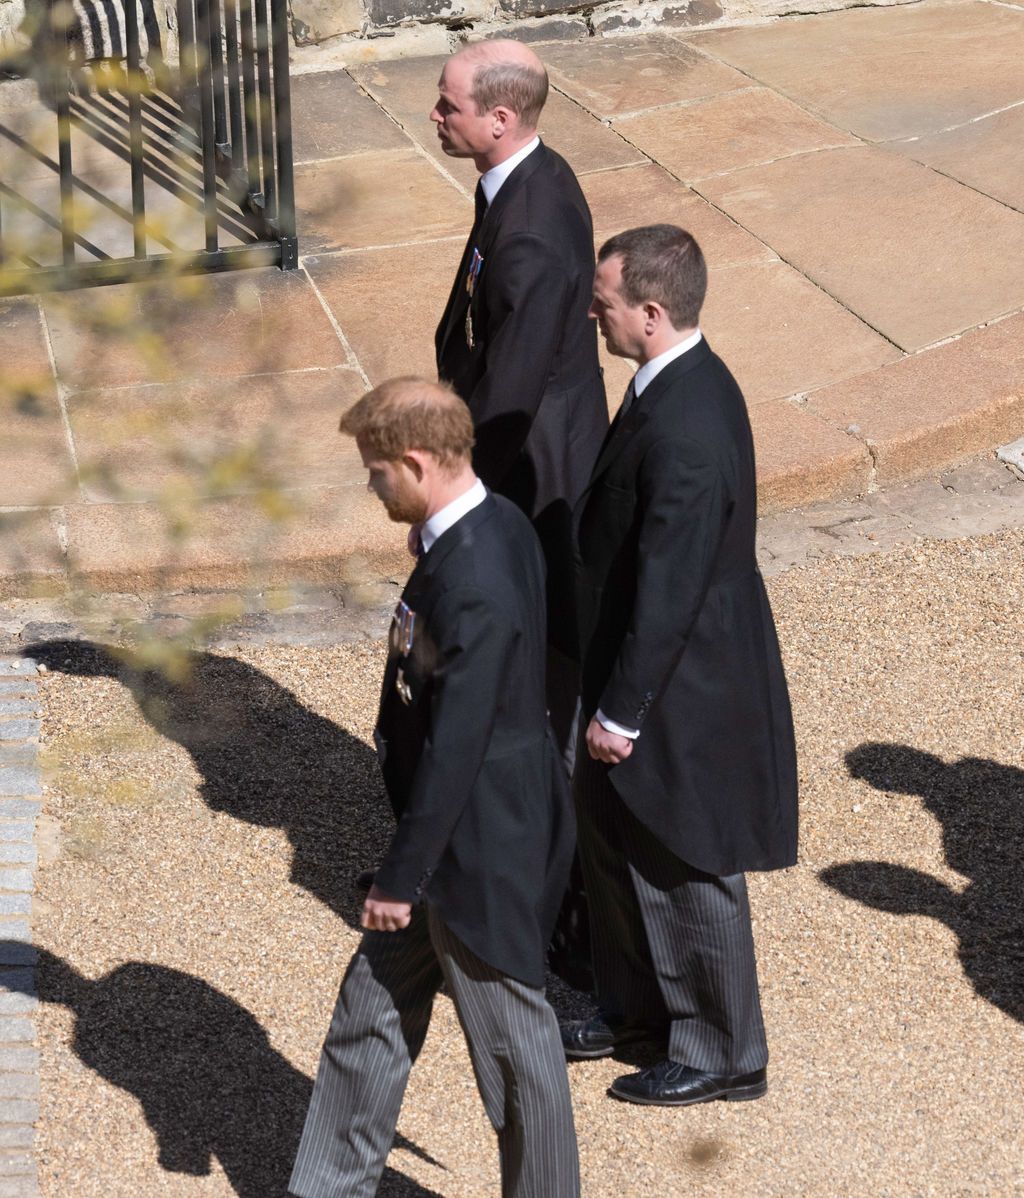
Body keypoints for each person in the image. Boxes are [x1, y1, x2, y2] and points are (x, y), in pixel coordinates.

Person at [289, 377, 580, 1198]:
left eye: (376, 472)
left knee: (517, 1053)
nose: (372, 485)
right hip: (457, 836)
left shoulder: (474, 575)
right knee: (370, 1012)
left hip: (476, 849)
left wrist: (402, 878)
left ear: (416, 463)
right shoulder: (490, 528)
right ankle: (327, 1186)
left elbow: (459, 743)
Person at [562, 225, 799, 1106]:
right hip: (643, 661)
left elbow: (671, 584)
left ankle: (723, 1050)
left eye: (606, 301)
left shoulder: (689, 424)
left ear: (651, 313)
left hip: (680, 684)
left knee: (682, 854)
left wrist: (623, 710)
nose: (593, 310)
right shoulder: (668, 385)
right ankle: (638, 1014)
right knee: (616, 837)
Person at [431, 38, 608, 763]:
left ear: (500, 118)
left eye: (449, 104)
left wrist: (454, 495)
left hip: (536, 465)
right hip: (537, 442)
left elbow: (513, 389)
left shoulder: (530, 228)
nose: (435, 114)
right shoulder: (525, 176)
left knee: (545, 650)